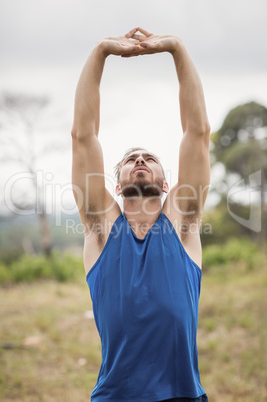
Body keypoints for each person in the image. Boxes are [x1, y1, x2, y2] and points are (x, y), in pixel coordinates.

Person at [71, 27, 210, 402]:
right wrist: (100, 52)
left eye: (150, 158)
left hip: (183, 395)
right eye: (131, 159)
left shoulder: (181, 224)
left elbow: (197, 133)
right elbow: (83, 136)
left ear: (167, 185)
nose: (140, 160)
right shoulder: (102, 230)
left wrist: (177, 49)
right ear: (116, 187)